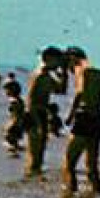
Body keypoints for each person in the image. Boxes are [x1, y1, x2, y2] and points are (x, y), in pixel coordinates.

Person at [61, 47, 100, 197]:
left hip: (83, 118)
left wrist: (70, 115)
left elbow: (80, 92)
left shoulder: (81, 69)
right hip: (97, 120)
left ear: (72, 58)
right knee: (92, 166)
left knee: (69, 164)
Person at [24, 46, 67, 176]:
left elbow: (60, 90)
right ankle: (31, 179)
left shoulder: (47, 75)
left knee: (40, 151)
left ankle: (35, 181)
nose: (59, 64)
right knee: (35, 151)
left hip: (42, 114)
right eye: (57, 61)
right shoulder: (39, 75)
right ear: (48, 59)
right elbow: (30, 100)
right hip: (34, 114)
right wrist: (35, 120)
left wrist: (64, 73)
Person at [2, 78, 27, 154]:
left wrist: (9, 126)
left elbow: (15, 115)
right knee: (15, 143)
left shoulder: (13, 101)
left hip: (15, 125)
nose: (5, 92)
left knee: (10, 143)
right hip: (20, 124)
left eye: (6, 89)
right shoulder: (20, 100)